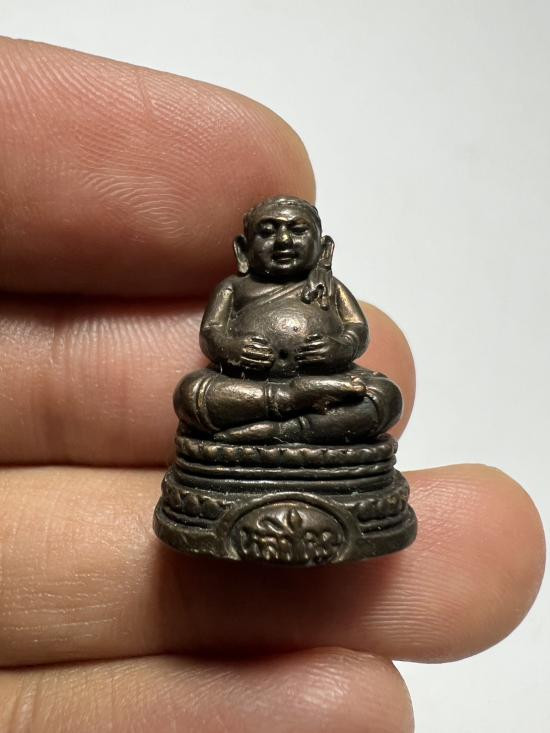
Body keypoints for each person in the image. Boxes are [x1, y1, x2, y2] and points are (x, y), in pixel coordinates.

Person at [0, 38, 544, 732]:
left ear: (322, 247)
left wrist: (334, 347)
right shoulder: (234, 289)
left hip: (319, 393)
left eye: (297, 232)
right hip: (253, 395)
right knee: (195, 395)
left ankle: (287, 420)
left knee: (379, 395)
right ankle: (286, 412)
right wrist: (239, 350)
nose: (284, 242)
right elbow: (214, 339)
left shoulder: (328, 289)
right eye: (269, 232)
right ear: (242, 248)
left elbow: (355, 336)